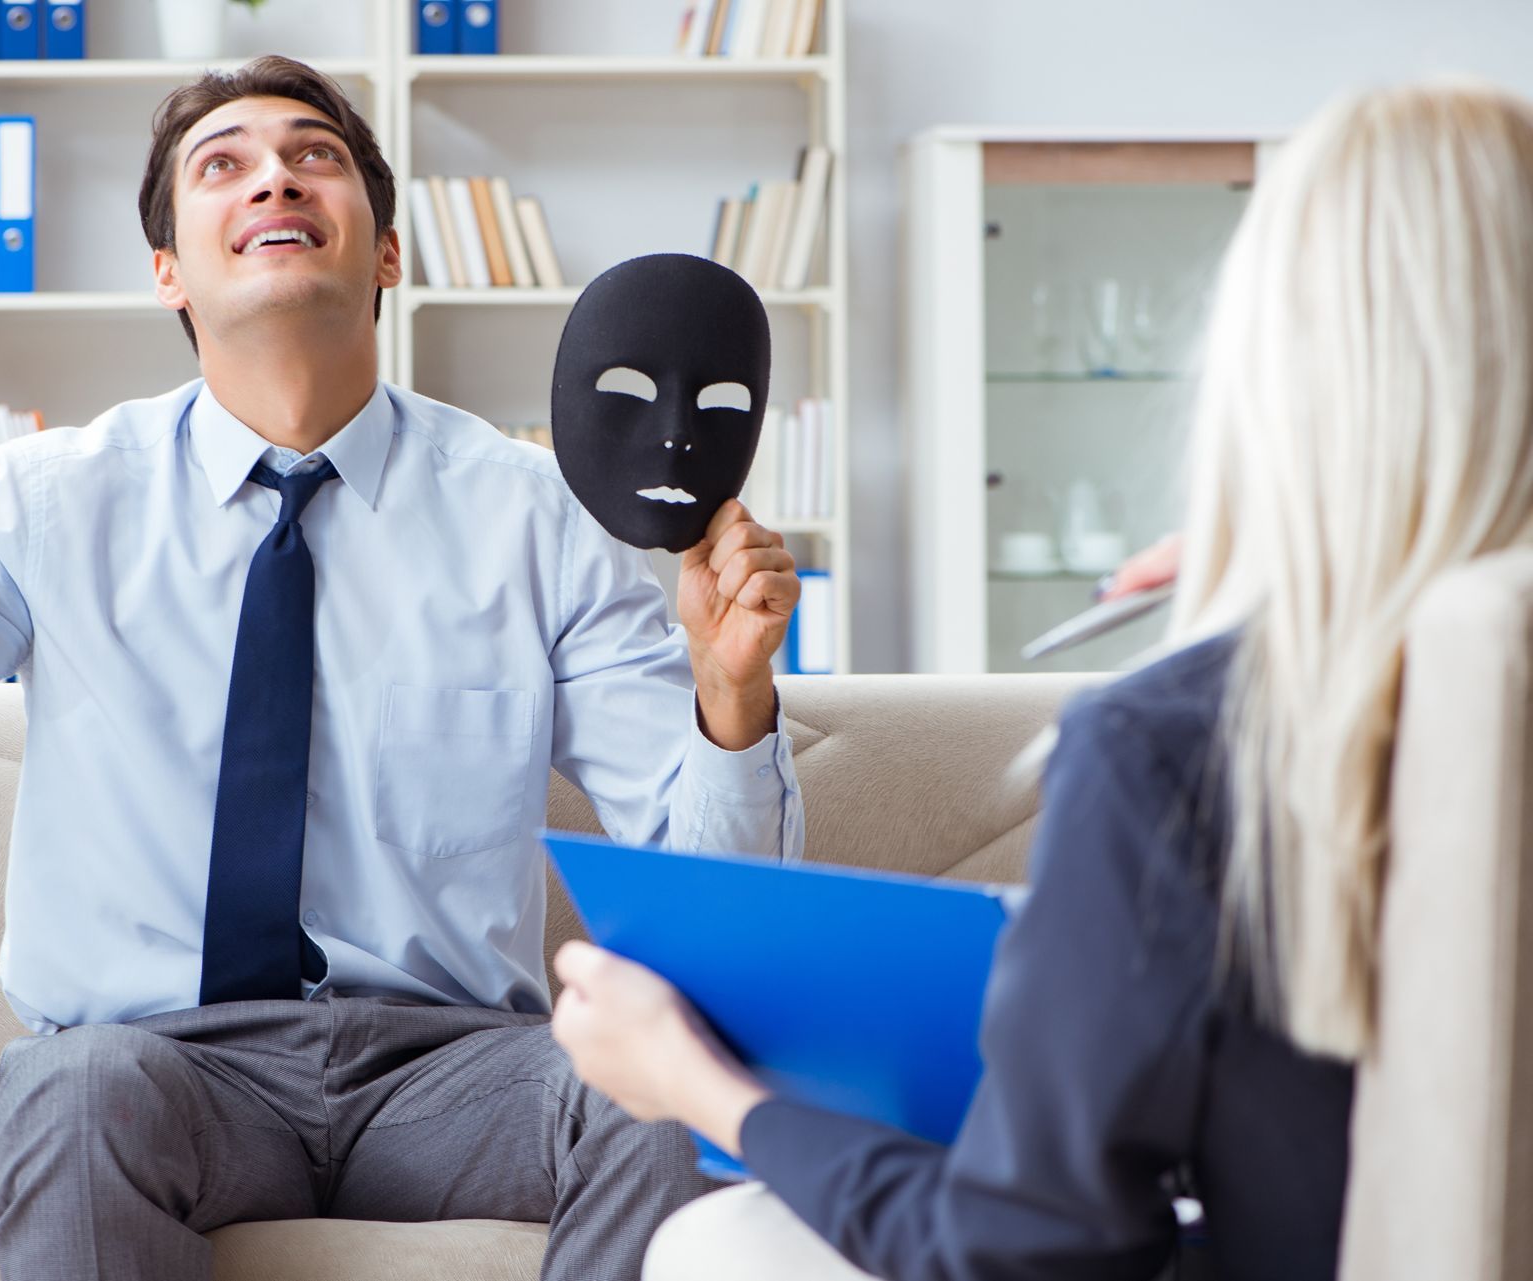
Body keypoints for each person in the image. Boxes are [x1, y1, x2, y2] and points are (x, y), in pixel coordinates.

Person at [0, 55, 806, 1281]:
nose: (275, 175)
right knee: (76, 1083)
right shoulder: (49, 505)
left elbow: (720, 915)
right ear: (169, 270)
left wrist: (730, 692)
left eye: (314, 155)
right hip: (160, 1066)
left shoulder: (538, 521)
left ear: (384, 253)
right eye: (224, 165)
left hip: (454, 1068)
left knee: (678, 1083)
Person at [552, 79, 1533, 1280]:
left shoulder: (1180, 748)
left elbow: (1021, 1252)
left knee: (721, 1245)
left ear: (1275, 372)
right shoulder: (1467, 676)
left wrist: (704, 1088)